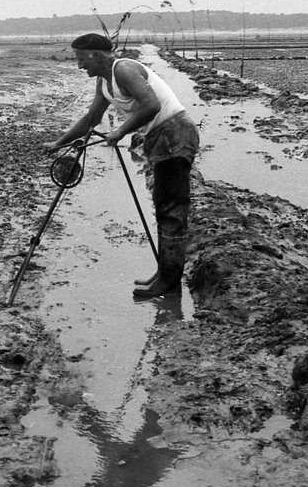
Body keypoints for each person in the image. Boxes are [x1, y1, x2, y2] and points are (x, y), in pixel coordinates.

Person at [46, 33, 199, 297]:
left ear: (96, 55)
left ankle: (170, 281)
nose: (80, 66)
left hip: (175, 134)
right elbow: (91, 118)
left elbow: (151, 105)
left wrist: (120, 131)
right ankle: (165, 274)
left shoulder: (124, 69)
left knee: (171, 210)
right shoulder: (105, 82)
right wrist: (59, 143)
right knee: (164, 207)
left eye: (82, 59)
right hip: (159, 137)